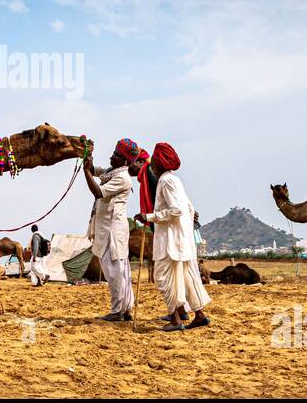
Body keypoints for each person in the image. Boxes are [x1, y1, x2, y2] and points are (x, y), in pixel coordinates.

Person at [135, 143, 211, 331]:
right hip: (181, 239)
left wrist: (150, 216)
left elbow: (176, 210)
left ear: (159, 163)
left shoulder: (166, 181)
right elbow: (190, 209)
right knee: (184, 278)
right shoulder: (175, 181)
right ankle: (199, 315)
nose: (151, 164)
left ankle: (176, 320)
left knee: (163, 277)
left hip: (170, 240)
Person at [83, 139, 145, 321]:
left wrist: (87, 171)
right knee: (117, 269)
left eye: (117, 155)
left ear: (125, 161)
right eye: (114, 153)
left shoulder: (122, 178)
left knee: (115, 271)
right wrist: (88, 155)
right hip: (106, 227)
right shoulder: (112, 171)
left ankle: (119, 310)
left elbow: (97, 192)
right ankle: (125, 309)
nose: (112, 157)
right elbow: (96, 170)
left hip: (113, 229)